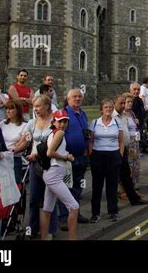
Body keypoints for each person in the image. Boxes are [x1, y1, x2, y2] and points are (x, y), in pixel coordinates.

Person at [40, 109, 78, 240]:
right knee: (74, 207)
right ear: (54, 122)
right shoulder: (60, 133)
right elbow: (49, 153)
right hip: (54, 175)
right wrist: (66, 157)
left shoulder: (52, 133)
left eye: (65, 121)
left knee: (47, 208)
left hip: (51, 173)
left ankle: (44, 237)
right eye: (60, 121)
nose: (63, 124)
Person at [24, 95, 58, 239]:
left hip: (51, 164)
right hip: (34, 165)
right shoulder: (32, 123)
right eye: (34, 106)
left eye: (38, 106)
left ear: (47, 106)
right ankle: (33, 228)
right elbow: (25, 140)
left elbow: (54, 144)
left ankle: (50, 230)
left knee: (49, 198)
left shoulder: (55, 122)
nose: (35, 109)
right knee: (33, 199)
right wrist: (13, 149)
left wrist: (37, 155)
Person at [57, 88, 90, 228]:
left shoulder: (83, 114)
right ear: (68, 99)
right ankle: (64, 217)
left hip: (81, 156)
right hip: (67, 157)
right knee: (65, 187)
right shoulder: (62, 113)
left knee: (78, 186)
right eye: (74, 97)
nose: (77, 99)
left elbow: (86, 132)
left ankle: (75, 212)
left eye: (79, 97)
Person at [88, 100, 124, 223]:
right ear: (101, 109)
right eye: (105, 107)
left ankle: (113, 212)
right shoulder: (94, 123)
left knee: (112, 185)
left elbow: (121, 141)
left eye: (110, 107)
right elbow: (91, 141)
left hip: (114, 155)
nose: (108, 109)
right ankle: (95, 213)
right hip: (98, 155)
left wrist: (120, 154)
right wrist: (91, 154)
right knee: (97, 186)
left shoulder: (117, 122)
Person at [112, 95, 148, 206]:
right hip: (116, 149)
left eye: (125, 103)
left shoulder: (124, 115)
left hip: (126, 147)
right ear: (115, 102)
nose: (123, 105)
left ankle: (133, 198)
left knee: (126, 174)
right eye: (121, 103)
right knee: (116, 175)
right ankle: (116, 200)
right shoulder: (113, 116)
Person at [0, 100, 27, 184]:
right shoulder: (2, 124)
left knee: (15, 184)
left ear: (18, 110)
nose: (8, 111)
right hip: (1, 158)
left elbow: (24, 143)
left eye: (11, 108)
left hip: (14, 159)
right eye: (6, 108)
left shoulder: (24, 125)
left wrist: (13, 150)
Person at [122, 93, 141, 190]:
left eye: (131, 102)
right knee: (129, 164)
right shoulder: (122, 115)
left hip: (135, 141)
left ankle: (134, 184)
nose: (129, 104)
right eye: (127, 102)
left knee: (136, 163)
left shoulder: (132, 113)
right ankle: (128, 187)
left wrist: (136, 122)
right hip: (128, 142)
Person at [130, 82, 147, 154]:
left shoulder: (140, 100)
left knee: (137, 145)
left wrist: (144, 123)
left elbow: (142, 113)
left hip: (139, 127)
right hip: (130, 129)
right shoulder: (127, 101)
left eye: (138, 89)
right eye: (134, 89)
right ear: (130, 90)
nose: (136, 91)